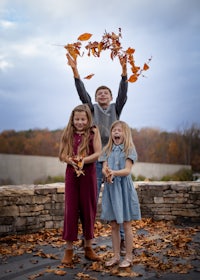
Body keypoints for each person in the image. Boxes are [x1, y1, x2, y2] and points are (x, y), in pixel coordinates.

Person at [66, 53, 128, 253]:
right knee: (89, 202)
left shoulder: (115, 109)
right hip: (94, 163)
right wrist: (75, 72)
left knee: (116, 198)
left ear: (110, 98)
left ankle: (121, 238)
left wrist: (124, 72)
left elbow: (123, 95)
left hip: (113, 162)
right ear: (95, 98)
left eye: (106, 93)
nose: (102, 95)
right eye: (99, 93)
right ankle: (88, 240)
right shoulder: (90, 110)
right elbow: (82, 94)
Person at [59, 104, 102, 265]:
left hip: (89, 175)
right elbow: (62, 154)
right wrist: (70, 160)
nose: (80, 122)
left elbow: (98, 153)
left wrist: (83, 160)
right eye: (77, 119)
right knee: (71, 211)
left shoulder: (93, 132)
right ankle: (69, 250)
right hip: (72, 175)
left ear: (88, 119)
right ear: (72, 119)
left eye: (83, 119)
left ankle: (88, 247)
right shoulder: (67, 133)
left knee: (88, 210)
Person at [100, 120, 141, 268]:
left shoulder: (129, 149)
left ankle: (129, 256)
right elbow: (104, 168)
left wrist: (114, 173)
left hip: (124, 190)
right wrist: (107, 173)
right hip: (111, 189)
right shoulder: (106, 150)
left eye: (119, 130)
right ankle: (116, 256)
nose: (116, 132)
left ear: (125, 133)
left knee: (127, 224)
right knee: (113, 225)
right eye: (114, 130)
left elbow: (127, 170)